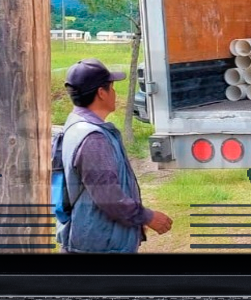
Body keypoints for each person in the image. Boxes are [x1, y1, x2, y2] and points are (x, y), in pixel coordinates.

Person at [57, 59, 172, 253]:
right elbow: (109, 197)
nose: (115, 93)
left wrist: (133, 221)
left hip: (94, 240)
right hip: (100, 247)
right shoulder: (93, 138)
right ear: (101, 93)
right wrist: (147, 217)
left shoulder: (75, 124)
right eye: (112, 87)